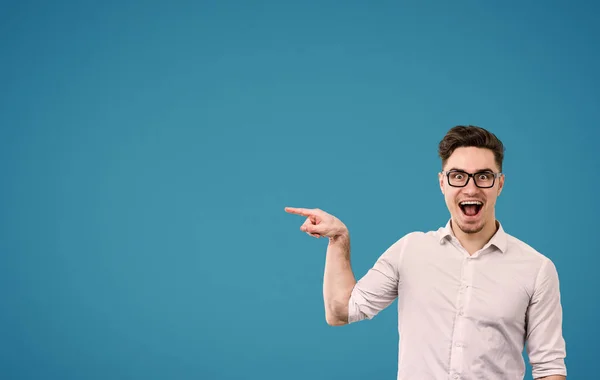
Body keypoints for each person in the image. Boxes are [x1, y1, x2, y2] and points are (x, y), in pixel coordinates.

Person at [285, 125, 567, 380]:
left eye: (483, 176)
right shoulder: (410, 250)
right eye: (458, 176)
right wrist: (338, 239)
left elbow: (549, 368)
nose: (471, 188)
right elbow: (340, 312)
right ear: (443, 182)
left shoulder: (536, 269)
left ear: (500, 184)